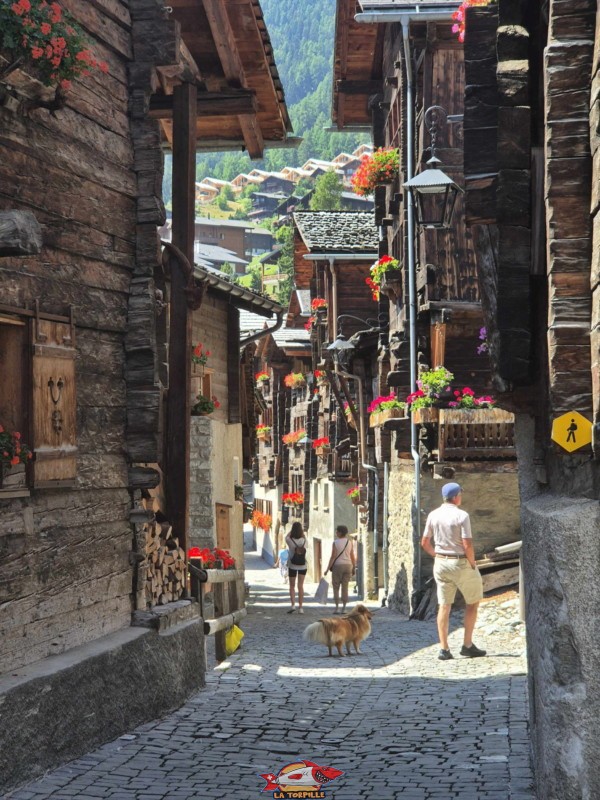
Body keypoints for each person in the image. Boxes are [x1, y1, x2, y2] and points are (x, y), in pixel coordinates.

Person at [420, 482, 486, 661]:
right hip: (460, 562)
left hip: (441, 563)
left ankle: (444, 648)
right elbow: (467, 544)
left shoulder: (433, 515)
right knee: (472, 603)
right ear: (456, 497)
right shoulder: (461, 515)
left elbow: (425, 542)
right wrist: (472, 562)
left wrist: (437, 556)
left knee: (444, 605)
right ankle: (467, 645)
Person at [325, 525, 356, 614]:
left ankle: (337, 607)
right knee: (345, 587)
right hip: (348, 565)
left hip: (338, 566)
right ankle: (344, 608)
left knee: (336, 586)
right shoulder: (349, 542)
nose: (336, 533)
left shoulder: (335, 543)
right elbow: (352, 556)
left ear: (340, 532)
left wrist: (327, 569)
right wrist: (353, 567)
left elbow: (333, 556)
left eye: (337, 531)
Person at [285, 521, 307, 614]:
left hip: (292, 565)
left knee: (292, 586)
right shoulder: (304, 540)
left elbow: (286, 536)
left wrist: (291, 531)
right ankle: (301, 607)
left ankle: (293, 605)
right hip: (303, 565)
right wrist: (303, 534)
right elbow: (306, 546)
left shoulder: (290, 540)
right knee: (300, 586)